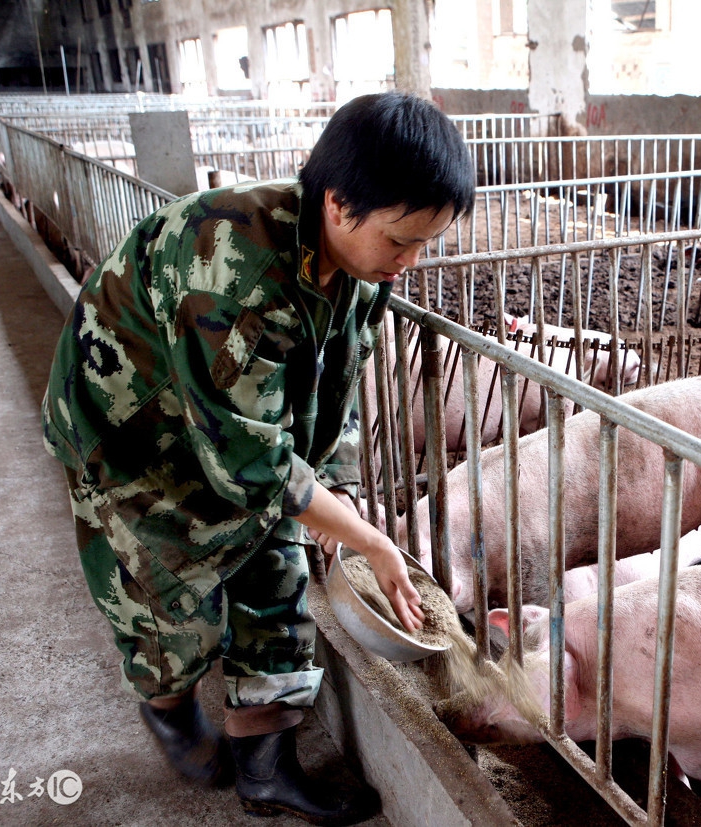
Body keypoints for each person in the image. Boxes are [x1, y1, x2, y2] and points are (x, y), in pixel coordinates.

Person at [41, 91, 475, 825]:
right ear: (339, 205)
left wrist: (334, 500)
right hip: (131, 431)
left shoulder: (360, 272)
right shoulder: (235, 268)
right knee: (164, 593)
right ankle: (169, 705)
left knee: (278, 567)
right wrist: (369, 538)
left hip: (232, 424)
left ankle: (266, 769)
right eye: (404, 239)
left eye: (427, 242)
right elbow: (251, 468)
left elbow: (335, 395)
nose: (412, 261)